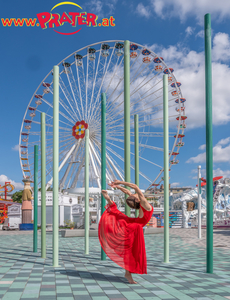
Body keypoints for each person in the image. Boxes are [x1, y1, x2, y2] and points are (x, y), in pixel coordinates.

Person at [98, 180, 153, 284]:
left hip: (134, 226)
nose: (135, 193)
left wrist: (118, 185)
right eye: (137, 195)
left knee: (130, 251)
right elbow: (134, 187)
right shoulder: (146, 205)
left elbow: (129, 192)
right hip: (135, 228)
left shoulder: (142, 203)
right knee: (131, 252)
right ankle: (128, 274)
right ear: (137, 199)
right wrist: (119, 183)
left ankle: (108, 199)